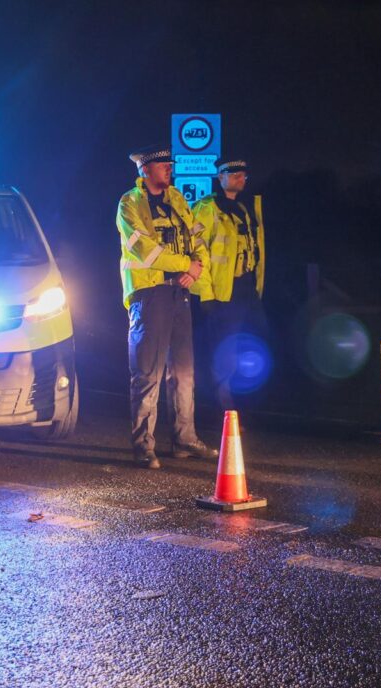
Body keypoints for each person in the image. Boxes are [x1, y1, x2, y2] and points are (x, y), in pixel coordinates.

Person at [116, 145, 219, 469]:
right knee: (147, 373)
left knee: (184, 372)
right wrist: (184, 264)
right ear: (145, 170)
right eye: (163, 166)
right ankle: (143, 446)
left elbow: (196, 236)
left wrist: (197, 264)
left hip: (179, 294)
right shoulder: (129, 203)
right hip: (149, 294)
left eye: (170, 166)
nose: (169, 170)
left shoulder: (177, 199)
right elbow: (144, 248)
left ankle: (184, 439)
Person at [192, 159, 268, 405]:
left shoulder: (243, 209)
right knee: (223, 347)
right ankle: (223, 403)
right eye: (234, 174)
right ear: (220, 177)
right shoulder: (207, 208)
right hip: (224, 292)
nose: (241, 178)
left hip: (246, 288)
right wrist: (206, 294)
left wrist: (257, 287)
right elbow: (197, 252)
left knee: (250, 341)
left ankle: (244, 397)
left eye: (243, 175)